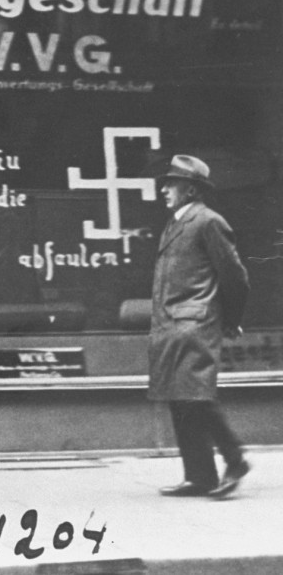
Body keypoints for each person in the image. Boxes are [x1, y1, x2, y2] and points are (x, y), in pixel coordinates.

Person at [149, 154, 251, 499]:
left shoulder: (208, 221)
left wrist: (231, 320)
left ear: (191, 189)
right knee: (180, 399)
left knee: (195, 396)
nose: (164, 189)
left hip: (195, 323)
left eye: (172, 184)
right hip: (172, 325)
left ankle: (235, 460)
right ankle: (200, 476)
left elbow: (235, 276)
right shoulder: (176, 222)